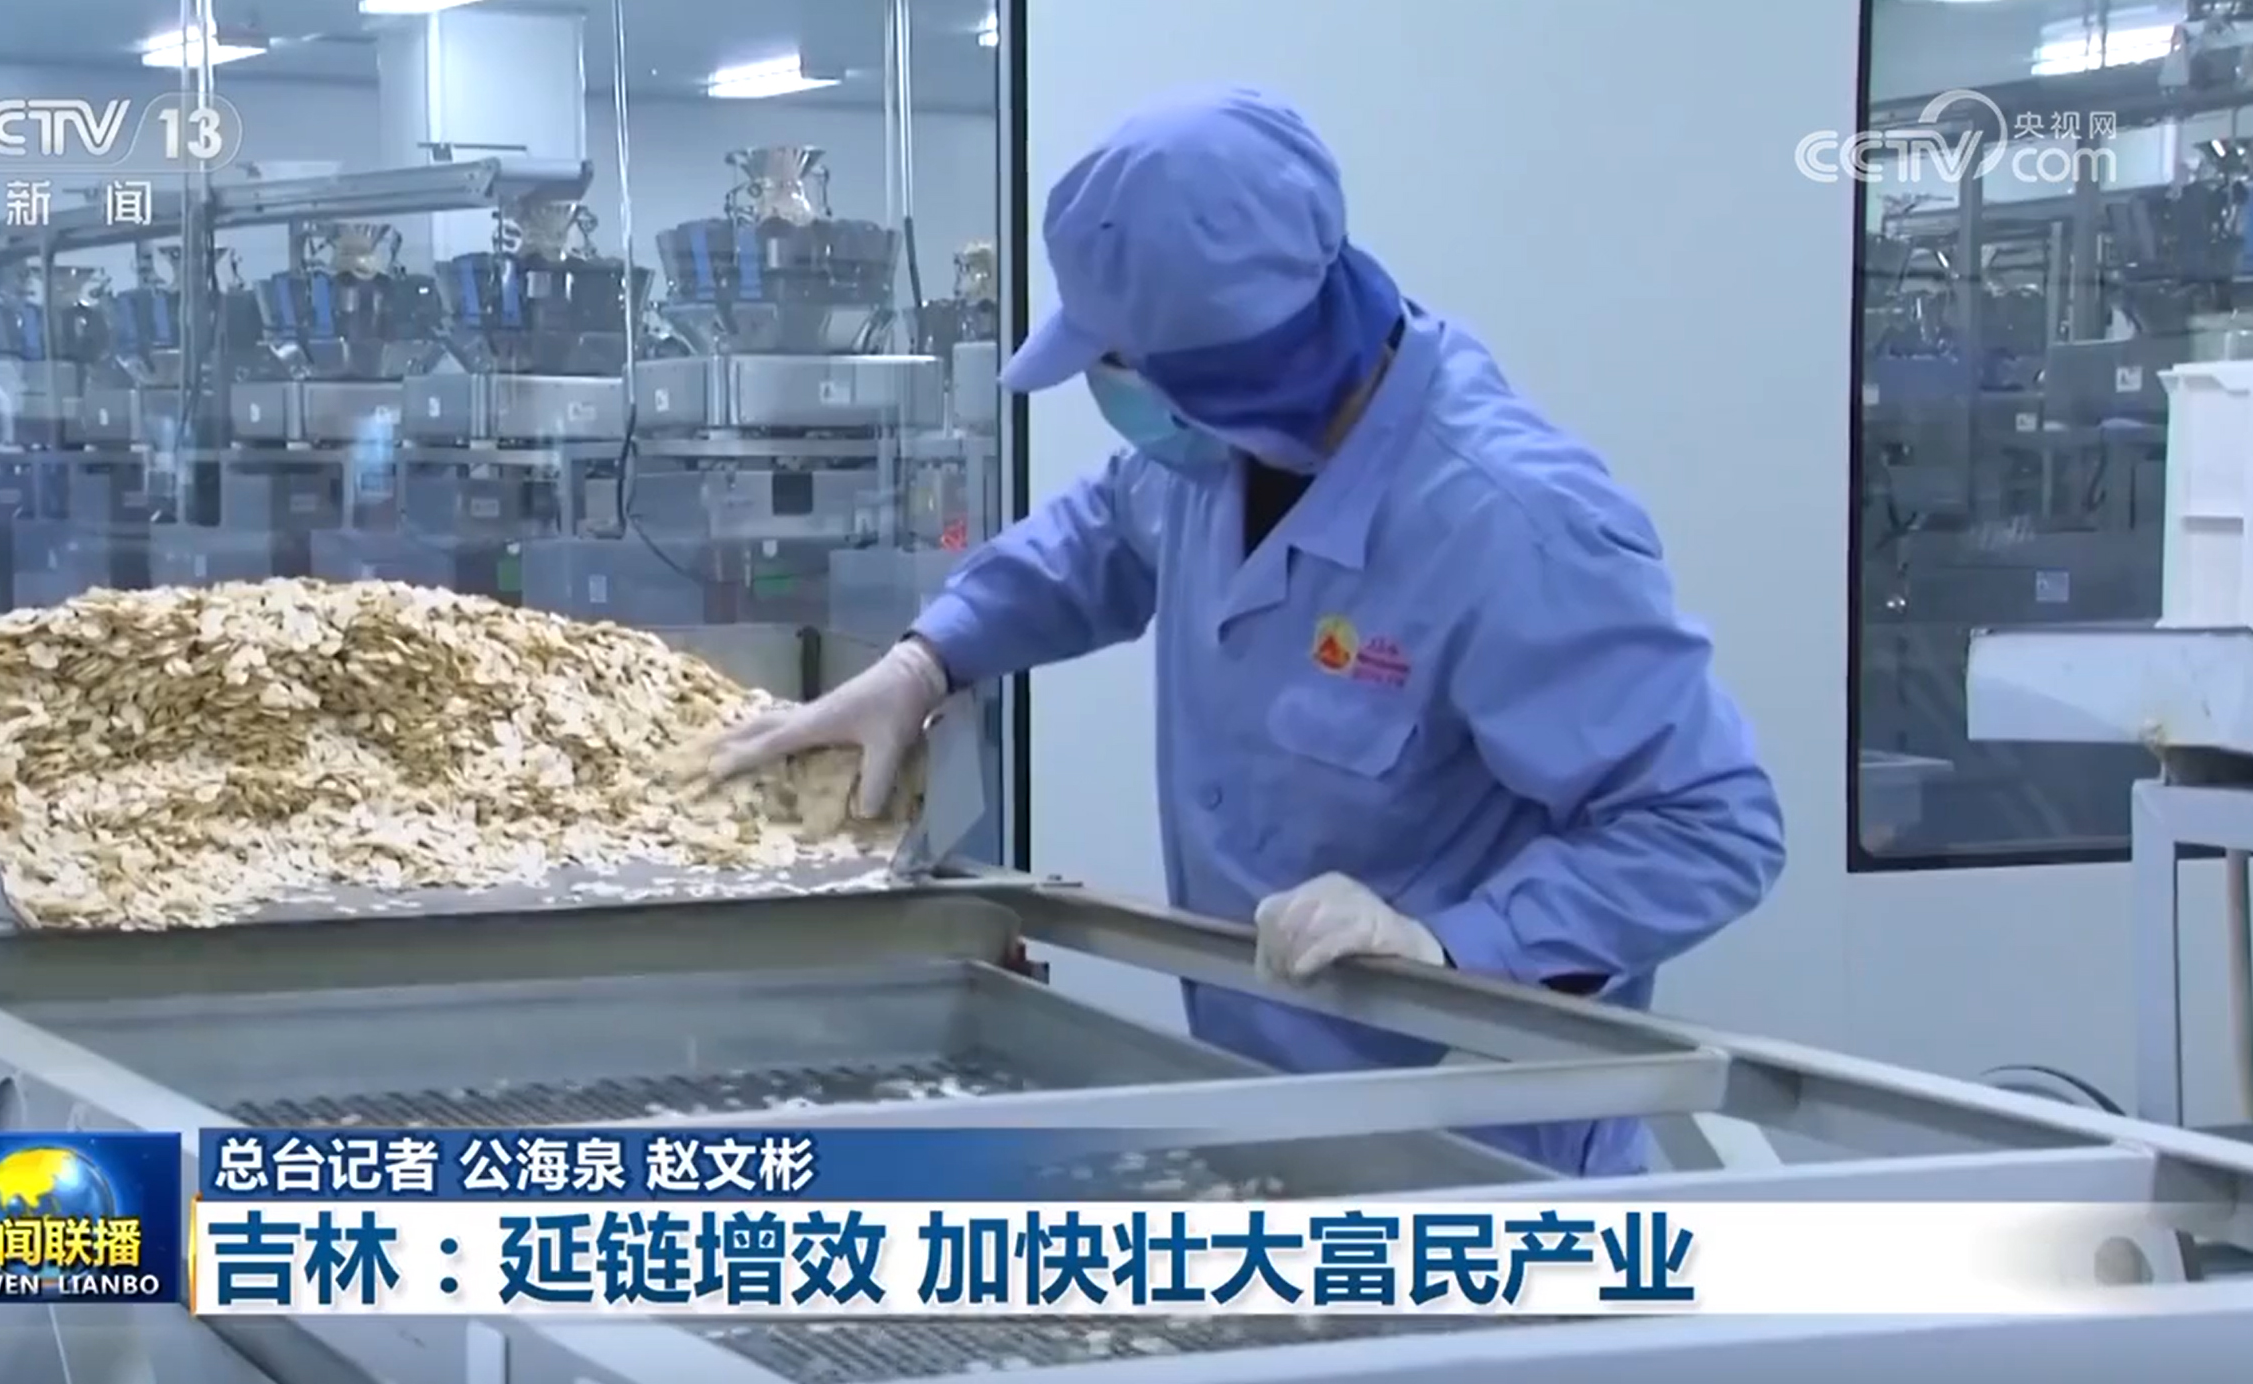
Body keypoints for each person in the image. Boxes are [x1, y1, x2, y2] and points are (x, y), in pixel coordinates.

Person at [705, 86, 1786, 1177]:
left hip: (1475, 1161)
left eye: (1117, 362)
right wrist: (924, 659)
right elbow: (1091, 543)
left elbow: (1710, 825)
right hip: (1268, 1125)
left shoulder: (1510, 526)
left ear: (1228, 377)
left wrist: (1455, 944)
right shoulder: (1222, 450)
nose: (1110, 391)